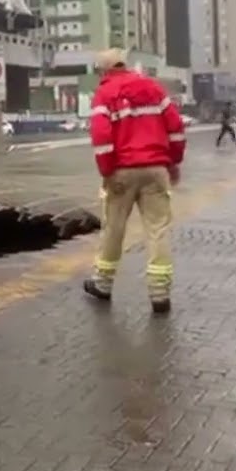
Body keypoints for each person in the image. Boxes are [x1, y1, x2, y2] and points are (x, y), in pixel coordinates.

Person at [83, 48, 187, 314]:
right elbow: (175, 127)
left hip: (122, 171)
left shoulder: (104, 94)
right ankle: (160, 295)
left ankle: (103, 285)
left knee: (114, 229)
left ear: (103, 71)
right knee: (158, 230)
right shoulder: (153, 88)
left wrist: (107, 172)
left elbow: (101, 136)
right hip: (155, 169)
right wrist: (172, 162)